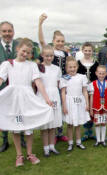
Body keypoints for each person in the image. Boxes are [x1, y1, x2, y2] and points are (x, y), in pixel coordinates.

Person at [0, 39, 53, 167]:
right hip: (14, 101)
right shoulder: (8, 64)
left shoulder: (32, 65)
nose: (25, 54)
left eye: (28, 53)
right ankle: (19, 155)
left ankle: (30, 153)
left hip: (28, 99)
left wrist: (46, 98)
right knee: (17, 128)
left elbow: (38, 82)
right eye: (24, 51)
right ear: (18, 49)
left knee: (28, 128)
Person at [0, 21, 26, 153]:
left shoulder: (19, 47)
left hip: (17, 89)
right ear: (0, 32)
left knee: (20, 113)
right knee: (4, 114)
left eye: (9, 31)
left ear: (13, 31)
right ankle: (4, 140)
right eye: (4, 31)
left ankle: (22, 138)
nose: (7, 34)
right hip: (1, 88)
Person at [38, 13, 69, 142]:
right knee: (51, 107)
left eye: (62, 41)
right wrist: (40, 23)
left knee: (61, 107)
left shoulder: (65, 53)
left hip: (61, 83)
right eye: (58, 41)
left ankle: (59, 133)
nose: (60, 43)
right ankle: (50, 131)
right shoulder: (49, 50)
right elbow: (40, 41)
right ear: (53, 41)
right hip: (50, 83)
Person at [60, 57, 90, 151]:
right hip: (69, 103)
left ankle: (78, 142)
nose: (72, 69)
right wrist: (64, 105)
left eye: (74, 67)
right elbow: (63, 92)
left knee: (78, 124)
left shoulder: (82, 77)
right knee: (70, 124)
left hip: (80, 103)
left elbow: (85, 91)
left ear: (77, 67)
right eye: (70, 67)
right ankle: (70, 143)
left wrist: (87, 103)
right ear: (66, 68)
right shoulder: (64, 78)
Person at [37, 45, 62, 157]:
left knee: (53, 124)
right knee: (45, 125)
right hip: (43, 96)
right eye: (47, 56)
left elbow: (57, 83)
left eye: (51, 55)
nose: (49, 58)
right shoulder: (38, 68)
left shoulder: (57, 68)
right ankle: (46, 148)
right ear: (42, 55)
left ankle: (52, 146)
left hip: (54, 95)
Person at [77, 42, 99, 141]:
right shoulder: (78, 63)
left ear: (92, 51)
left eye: (89, 50)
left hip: (94, 90)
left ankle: (91, 131)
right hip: (82, 90)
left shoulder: (96, 63)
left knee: (93, 109)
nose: (87, 52)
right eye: (85, 50)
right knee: (85, 109)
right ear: (82, 51)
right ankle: (86, 131)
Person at [89, 65, 107, 147]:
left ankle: (102, 140)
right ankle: (98, 140)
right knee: (97, 123)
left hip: (106, 106)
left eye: (103, 73)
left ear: (106, 74)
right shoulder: (92, 84)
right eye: (99, 73)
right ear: (96, 73)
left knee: (103, 123)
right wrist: (91, 109)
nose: (101, 75)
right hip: (96, 106)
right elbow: (91, 97)